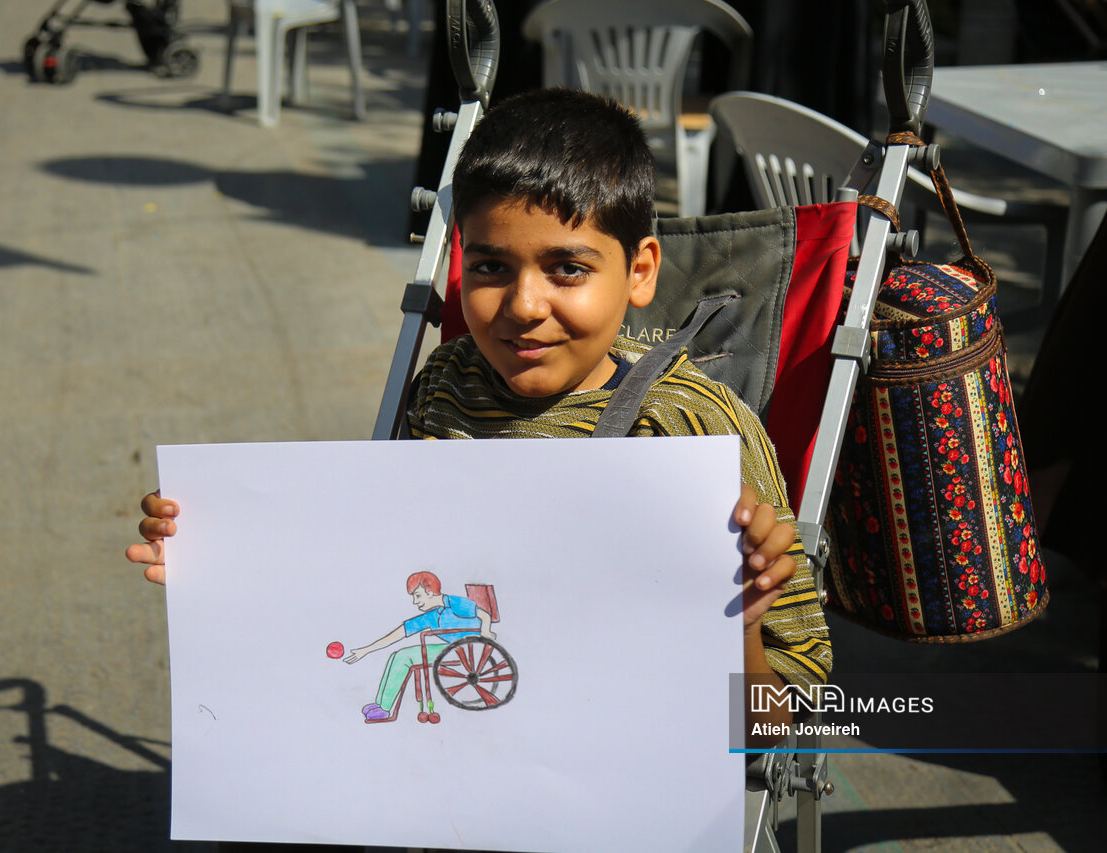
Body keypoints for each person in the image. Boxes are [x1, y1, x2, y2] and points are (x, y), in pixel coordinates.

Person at [128, 88, 831, 743]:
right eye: (491, 267)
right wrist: (224, 547)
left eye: (567, 269)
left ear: (640, 271)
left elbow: (783, 723)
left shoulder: (691, 428)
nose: (524, 305)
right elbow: (374, 556)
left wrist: (738, 624)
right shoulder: (447, 386)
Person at [344, 571, 492, 721]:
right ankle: (380, 703)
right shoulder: (433, 615)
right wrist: (366, 650)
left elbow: (485, 615)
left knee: (404, 657)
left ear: (430, 592)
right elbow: (400, 633)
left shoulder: (454, 603)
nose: (415, 601)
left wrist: (486, 632)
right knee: (396, 655)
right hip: (452, 649)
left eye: (418, 596)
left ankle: (385, 709)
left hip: (469, 649)